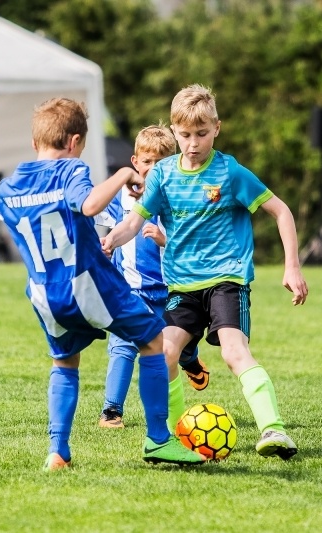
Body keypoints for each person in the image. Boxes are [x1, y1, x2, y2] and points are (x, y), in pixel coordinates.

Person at [0, 98, 206, 470]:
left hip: (44, 292)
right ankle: (158, 440)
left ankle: (58, 451)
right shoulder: (72, 169)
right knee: (153, 341)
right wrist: (123, 175)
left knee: (65, 361)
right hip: (87, 283)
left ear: (35, 141)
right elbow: (87, 206)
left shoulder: (11, 185)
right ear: (74, 142)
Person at [103, 84, 309, 459]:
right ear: (174, 131)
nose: (193, 143)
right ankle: (180, 436)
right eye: (184, 135)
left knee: (233, 352)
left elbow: (281, 211)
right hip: (181, 285)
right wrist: (113, 239)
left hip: (226, 281)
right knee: (164, 352)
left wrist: (291, 266)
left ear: (217, 127)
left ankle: (274, 430)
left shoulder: (230, 173)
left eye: (201, 134)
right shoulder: (163, 174)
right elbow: (134, 222)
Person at [96, 124, 210, 430]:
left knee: (173, 346)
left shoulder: (177, 197)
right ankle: (111, 411)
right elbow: (94, 214)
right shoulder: (121, 197)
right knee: (123, 345)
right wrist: (104, 245)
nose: (153, 169)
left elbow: (193, 243)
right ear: (135, 162)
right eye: (147, 162)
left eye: (160, 163)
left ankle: (190, 359)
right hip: (130, 290)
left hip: (172, 291)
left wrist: (165, 239)